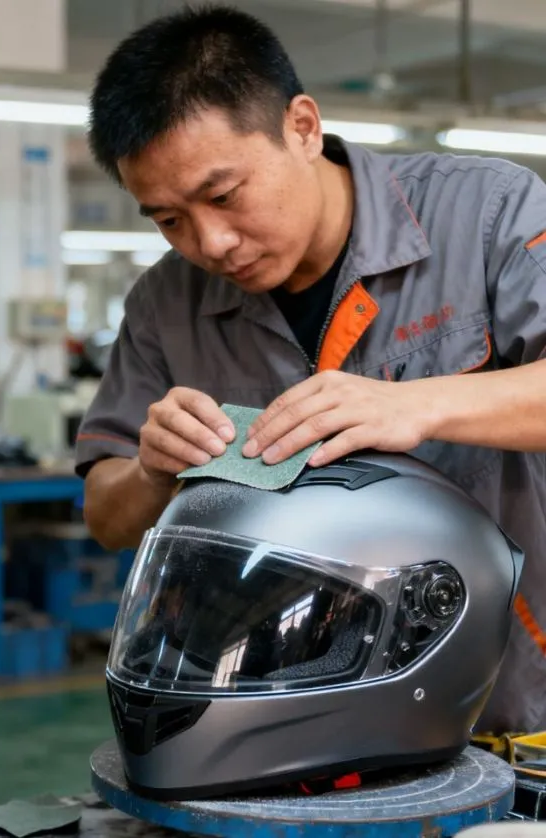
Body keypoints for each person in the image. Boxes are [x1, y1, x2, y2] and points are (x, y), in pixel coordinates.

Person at [76, 4, 546, 738]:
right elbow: (105, 516)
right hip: (287, 714)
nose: (212, 242)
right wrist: (150, 474)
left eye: (224, 195)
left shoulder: (486, 215)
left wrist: (419, 405)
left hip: (506, 703)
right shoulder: (165, 305)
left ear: (302, 127)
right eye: (169, 219)